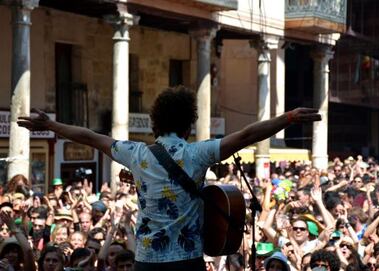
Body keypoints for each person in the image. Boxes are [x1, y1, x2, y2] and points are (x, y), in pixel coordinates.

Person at [17, 86, 321, 271]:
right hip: (187, 261)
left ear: (155, 122)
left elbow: (90, 137)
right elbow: (248, 134)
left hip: (147, 261)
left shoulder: (136, 154)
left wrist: (51, 124)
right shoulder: (198, 153)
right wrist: (288, 117)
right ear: (189, 122)